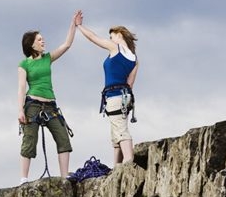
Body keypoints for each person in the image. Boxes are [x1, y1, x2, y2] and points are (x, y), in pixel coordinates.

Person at [17, 11, 81, 185]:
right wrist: (20, 110)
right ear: (31, 44)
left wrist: (73, 24)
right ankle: (24, 179)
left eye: (42, 38)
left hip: (51, 106)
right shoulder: (24, 64)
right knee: (30, 140)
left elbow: (66, 45)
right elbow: (22, 87)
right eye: (39, 39)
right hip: (33, 105)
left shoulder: (47, 58)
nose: (43, 41)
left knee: (63, 137)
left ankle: (64, 177)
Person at [76, 13, 138, 166]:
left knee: (121, 131)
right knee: (116, 132)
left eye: (111, 36)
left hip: (114, 96)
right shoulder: (135, 58)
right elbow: (130, 84)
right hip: (125, 96)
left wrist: (79, 26)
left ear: (118, 35)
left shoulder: (115, 48)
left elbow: (93, 37)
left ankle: (128, 161)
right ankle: (116, 166)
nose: (110, 40)